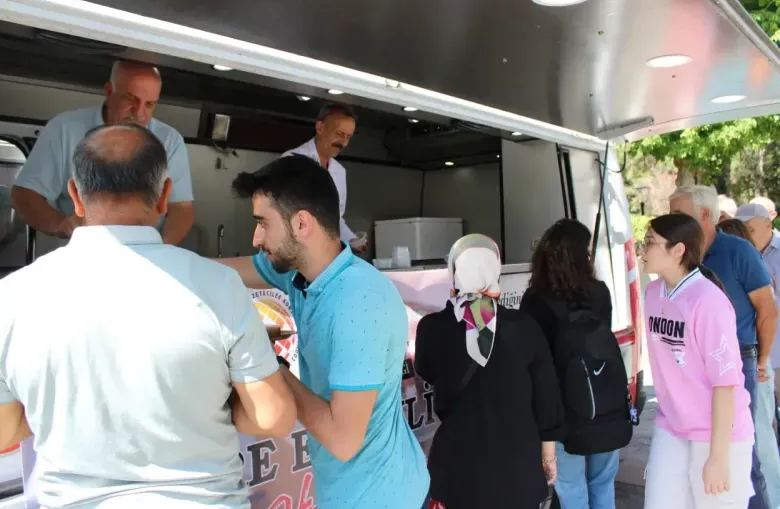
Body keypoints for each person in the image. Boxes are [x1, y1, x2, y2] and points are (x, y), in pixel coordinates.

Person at [0, 124, 296, 507]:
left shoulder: (10, 297)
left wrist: (55, 410)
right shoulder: (219, 286)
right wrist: (209, 400)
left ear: (76, 196)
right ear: (164, 196)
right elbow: (272, 417)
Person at [228, 155, 429, 509]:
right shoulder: (301, 275)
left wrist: (268, 367)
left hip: (382, 499)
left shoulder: (358, 301)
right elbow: (220, 272)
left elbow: (343, 440)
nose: (256, 238)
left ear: (301, 223)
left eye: (262, 223)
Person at [415, 234, 564, 509]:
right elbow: (546, 394)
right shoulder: (524, 327)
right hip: (517, 467)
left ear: (454, 272)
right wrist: (548, 455)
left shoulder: (431, 328)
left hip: (459, 467)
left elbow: (426, 370)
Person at [670, 185, 778, 509]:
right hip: (693, 364)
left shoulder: (737, 251)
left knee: (744, 450)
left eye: (678, 214)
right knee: (702, 449)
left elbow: (767, 310)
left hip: (737, 361)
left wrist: (762, 361)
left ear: (704, 214)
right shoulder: (680, 254)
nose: (670, 220)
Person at [11, 60, 194, 247]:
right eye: (131, 99)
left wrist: (162, 249)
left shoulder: (170, 140)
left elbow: (181, 207)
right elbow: (24, 194)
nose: (139, 113)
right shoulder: (64, 128)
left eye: (150, 104)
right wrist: (62, 226)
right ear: (108, 90)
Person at [641, 213, 755, 509]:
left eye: (649, 243)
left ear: (678, 250)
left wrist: (718, 457)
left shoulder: (708, 300)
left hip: (718, 431)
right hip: (672, 424)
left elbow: (725, 382)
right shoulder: (652, 293)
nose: (642, 250)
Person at [520, 219, 632, 509]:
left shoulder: (535, 301)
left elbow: (535, 363)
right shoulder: (600, 292)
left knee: (571, 492)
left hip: (561, 412)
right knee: (602, 484)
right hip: (603, 405)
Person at [736, 203, 780, 509]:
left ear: (767, 225)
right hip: (760, 358)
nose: (747, 235)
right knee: (765, 431)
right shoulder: (743, 254)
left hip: (773, 353)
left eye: (751, 229)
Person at [281, 103, 367, 252]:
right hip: (293, 251)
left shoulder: (340, 171)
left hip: (324, 255)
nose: (344, 143)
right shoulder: (292, 160)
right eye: (339, 134)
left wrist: (352, 240)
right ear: (320, 127)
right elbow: (282, 213)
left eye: (348, 137)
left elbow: (335, 218)